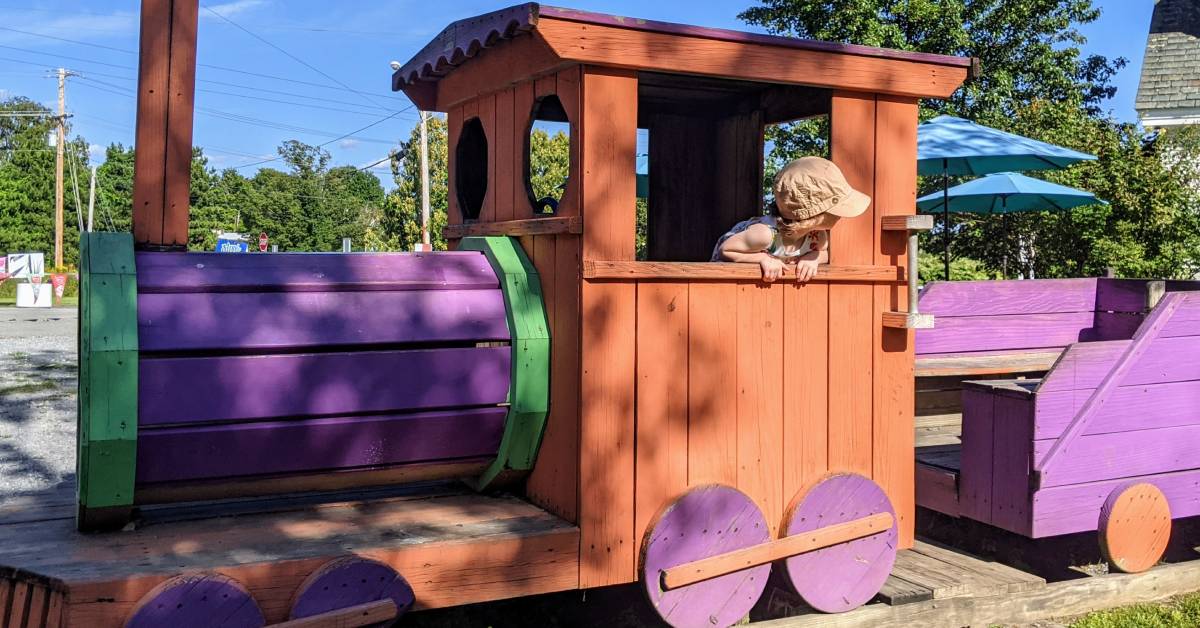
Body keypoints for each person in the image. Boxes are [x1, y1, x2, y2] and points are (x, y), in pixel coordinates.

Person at [711, 156, 870, 282]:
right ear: (811, 216)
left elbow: (824, 253)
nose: (841, 215)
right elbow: (725, 250)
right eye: (834, 210)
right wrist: (762, 258)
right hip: (723, 281)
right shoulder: (764, 234)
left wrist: (812, 258)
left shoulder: (817, 236)